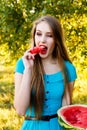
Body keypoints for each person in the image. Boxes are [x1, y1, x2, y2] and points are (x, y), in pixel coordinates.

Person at [14, 15, 77, 130]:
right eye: (38, 34)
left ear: (56, 40)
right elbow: (20, 110)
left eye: (49, 35)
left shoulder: (68, 68)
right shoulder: (22, 64)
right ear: (34, 37)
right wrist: (28, 70)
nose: (42, 40)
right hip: (32, 126)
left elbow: (66, 106)